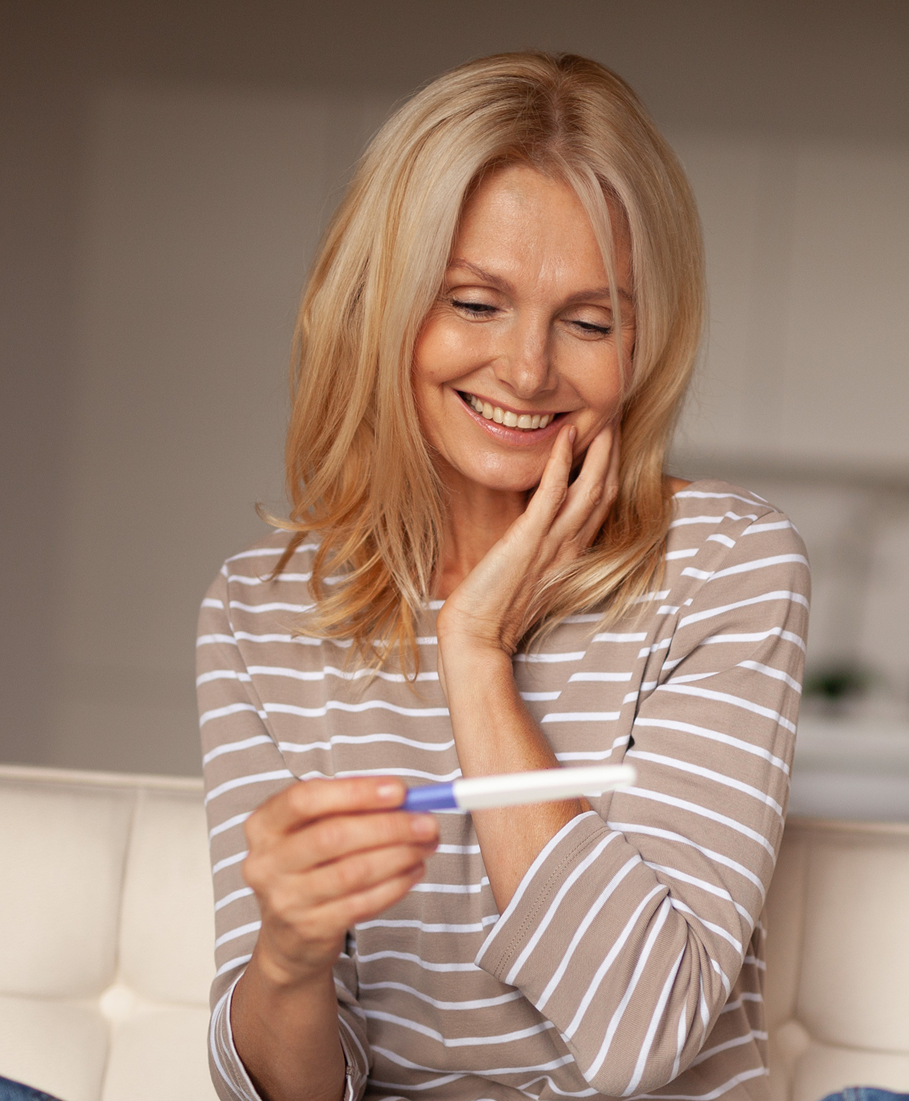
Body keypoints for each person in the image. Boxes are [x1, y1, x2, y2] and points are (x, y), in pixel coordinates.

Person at [197, 52, 810, 1101]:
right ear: (382, 308)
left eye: (588, 322)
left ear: (643, 343)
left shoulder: (725, 563)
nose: (528, 371)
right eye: (475, 304)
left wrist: (474, 653)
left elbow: (643, 1033)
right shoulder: (262, 607)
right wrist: (290, 958)